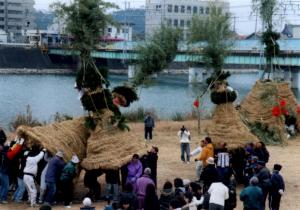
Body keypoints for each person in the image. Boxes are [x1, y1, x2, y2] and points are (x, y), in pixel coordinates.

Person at [0, 138, 24, 204]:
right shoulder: (8, 155)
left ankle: (1, 198)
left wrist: (16, 142)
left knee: (2, 186)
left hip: (2, 172)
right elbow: (14, 151)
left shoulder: (4, 154)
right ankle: (3, 199)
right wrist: (20, 144)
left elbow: (12, 149)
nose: (10, 148)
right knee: (6, 186)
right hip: (4, 173)